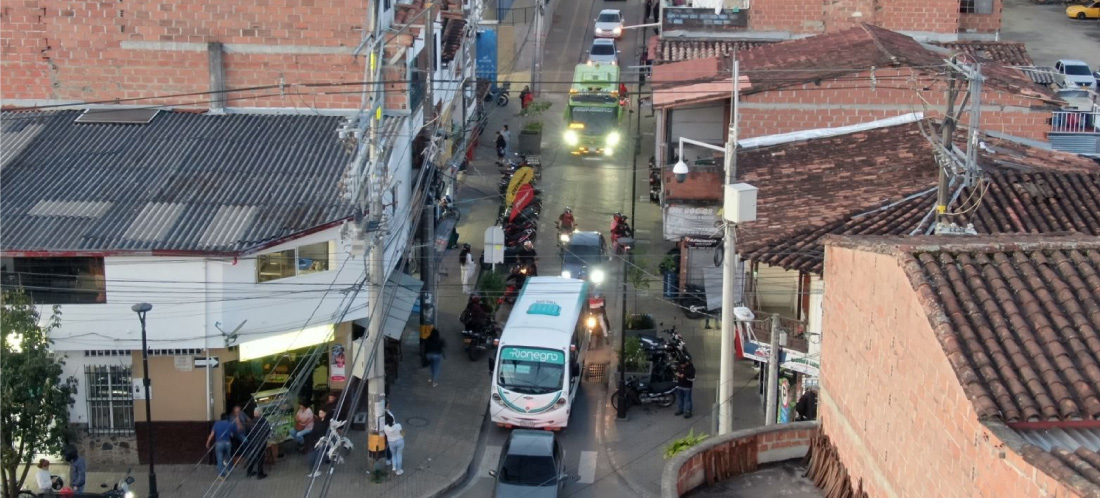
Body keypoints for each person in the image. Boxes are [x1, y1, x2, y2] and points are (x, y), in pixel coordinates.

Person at [206, 412, 238, 478]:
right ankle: (229, 469)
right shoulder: (230, 423)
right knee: (228, 457)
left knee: (219, 459)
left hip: (219, 443)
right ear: (227, 418)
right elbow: (235, 432)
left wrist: (208, 442)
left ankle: (222, 474)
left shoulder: (216, 424)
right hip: (227, 443)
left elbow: (212, 435)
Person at [305, 408, 331, 478]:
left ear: (325, 413)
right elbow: (314, 430)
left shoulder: (328, 422)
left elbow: (328, 433)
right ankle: (313, 469)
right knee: (314, 455)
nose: (320, 415)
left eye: (322, 413)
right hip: (316, 440)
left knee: (319, 455)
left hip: (324, 441)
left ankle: (315, 469)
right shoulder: (317, 421)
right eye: (319, 413)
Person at [246, 407, 271, 479]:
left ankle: (249, 471)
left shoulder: (251, 422)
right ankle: (260, 474)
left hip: (252, 442)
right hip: (261, 442)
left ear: (254, 414)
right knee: (260, 458)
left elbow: (247, 432)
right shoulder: (264, 421)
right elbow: (268, 431)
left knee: (252, 457)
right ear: (261, 414)